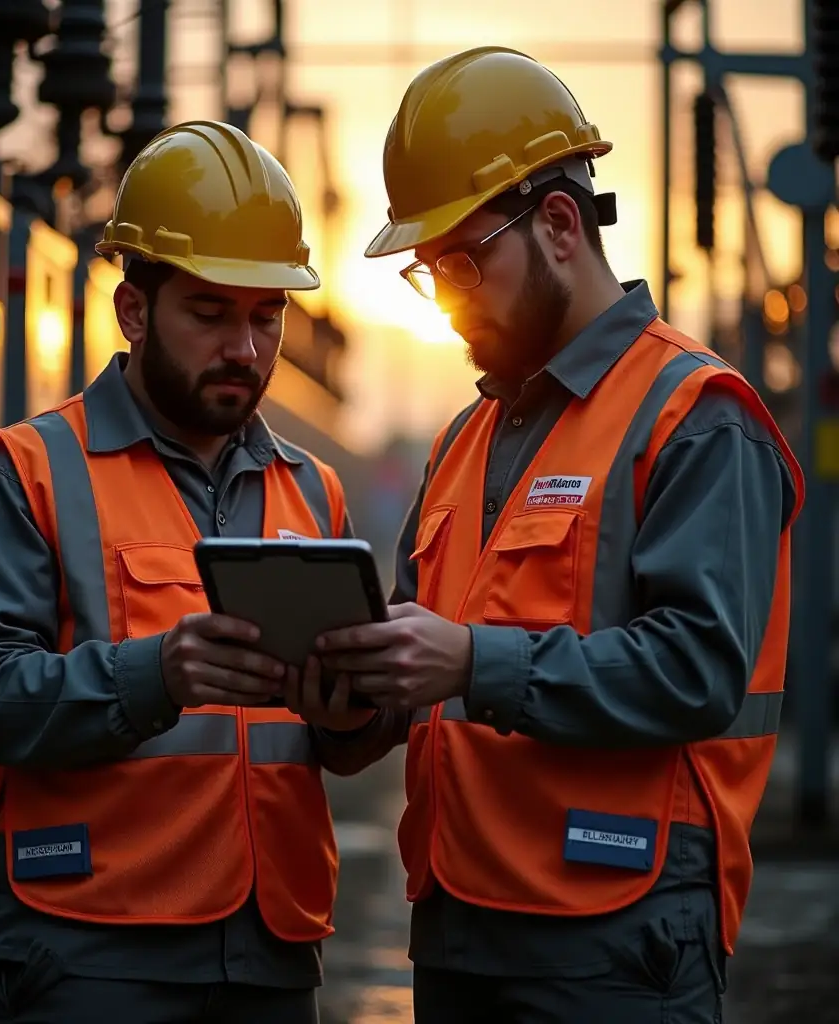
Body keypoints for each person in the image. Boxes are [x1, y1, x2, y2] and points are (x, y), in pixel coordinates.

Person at [315, 47, 805, 1023]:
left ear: (557, 222)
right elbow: (423, 664)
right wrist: (341, 695)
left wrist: (469, 663)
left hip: (613, 940)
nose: (448, 295)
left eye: (463, 260)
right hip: (457, 926)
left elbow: (697, 671)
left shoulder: (696, 417)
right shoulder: (465, 439)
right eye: (429, 271)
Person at [0, 120, 385, 1024]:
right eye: (210, 314)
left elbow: (332, 743)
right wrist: (157, 673)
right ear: (134, 312)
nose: (245, 350)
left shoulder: (312, 489)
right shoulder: (27, 472)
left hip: (269, 954)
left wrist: (355, 715)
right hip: (90, 953)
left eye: (266, 317)